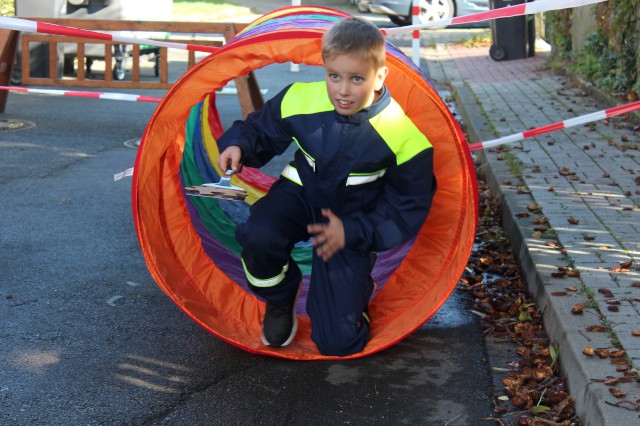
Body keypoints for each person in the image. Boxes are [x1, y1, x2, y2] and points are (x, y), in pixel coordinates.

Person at [216, 17, 437, 357]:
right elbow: (261, 128)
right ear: (324, 68)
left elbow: (407, 205)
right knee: (258, 234)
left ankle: (354, 291)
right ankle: (279, 298)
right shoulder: (302, 98)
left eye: (356, 79)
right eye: (334, 76)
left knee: (338, 342)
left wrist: (354, 232)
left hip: (350, 219)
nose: (343, 90)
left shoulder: (403, 136)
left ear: (380, 76)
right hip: (300, 194)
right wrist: (238, 146)